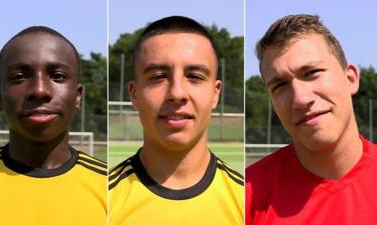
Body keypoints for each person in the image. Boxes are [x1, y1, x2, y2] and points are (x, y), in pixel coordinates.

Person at [109, 16, 244, 225]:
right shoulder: (101, 202)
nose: (177, 93)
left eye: (195, 76)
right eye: (158, 77)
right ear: (134, 94)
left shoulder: (249, 202)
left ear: (215, 93)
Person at [246, 14, 377, 224]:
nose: (300, 98)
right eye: (280, 86)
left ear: (350, 79)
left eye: (312, 73)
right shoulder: (244, 199)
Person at [0, 26, 107, 224]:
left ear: (78, 97)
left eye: (58, 76)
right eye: (19, 77)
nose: (39, 91)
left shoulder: (113, 190)